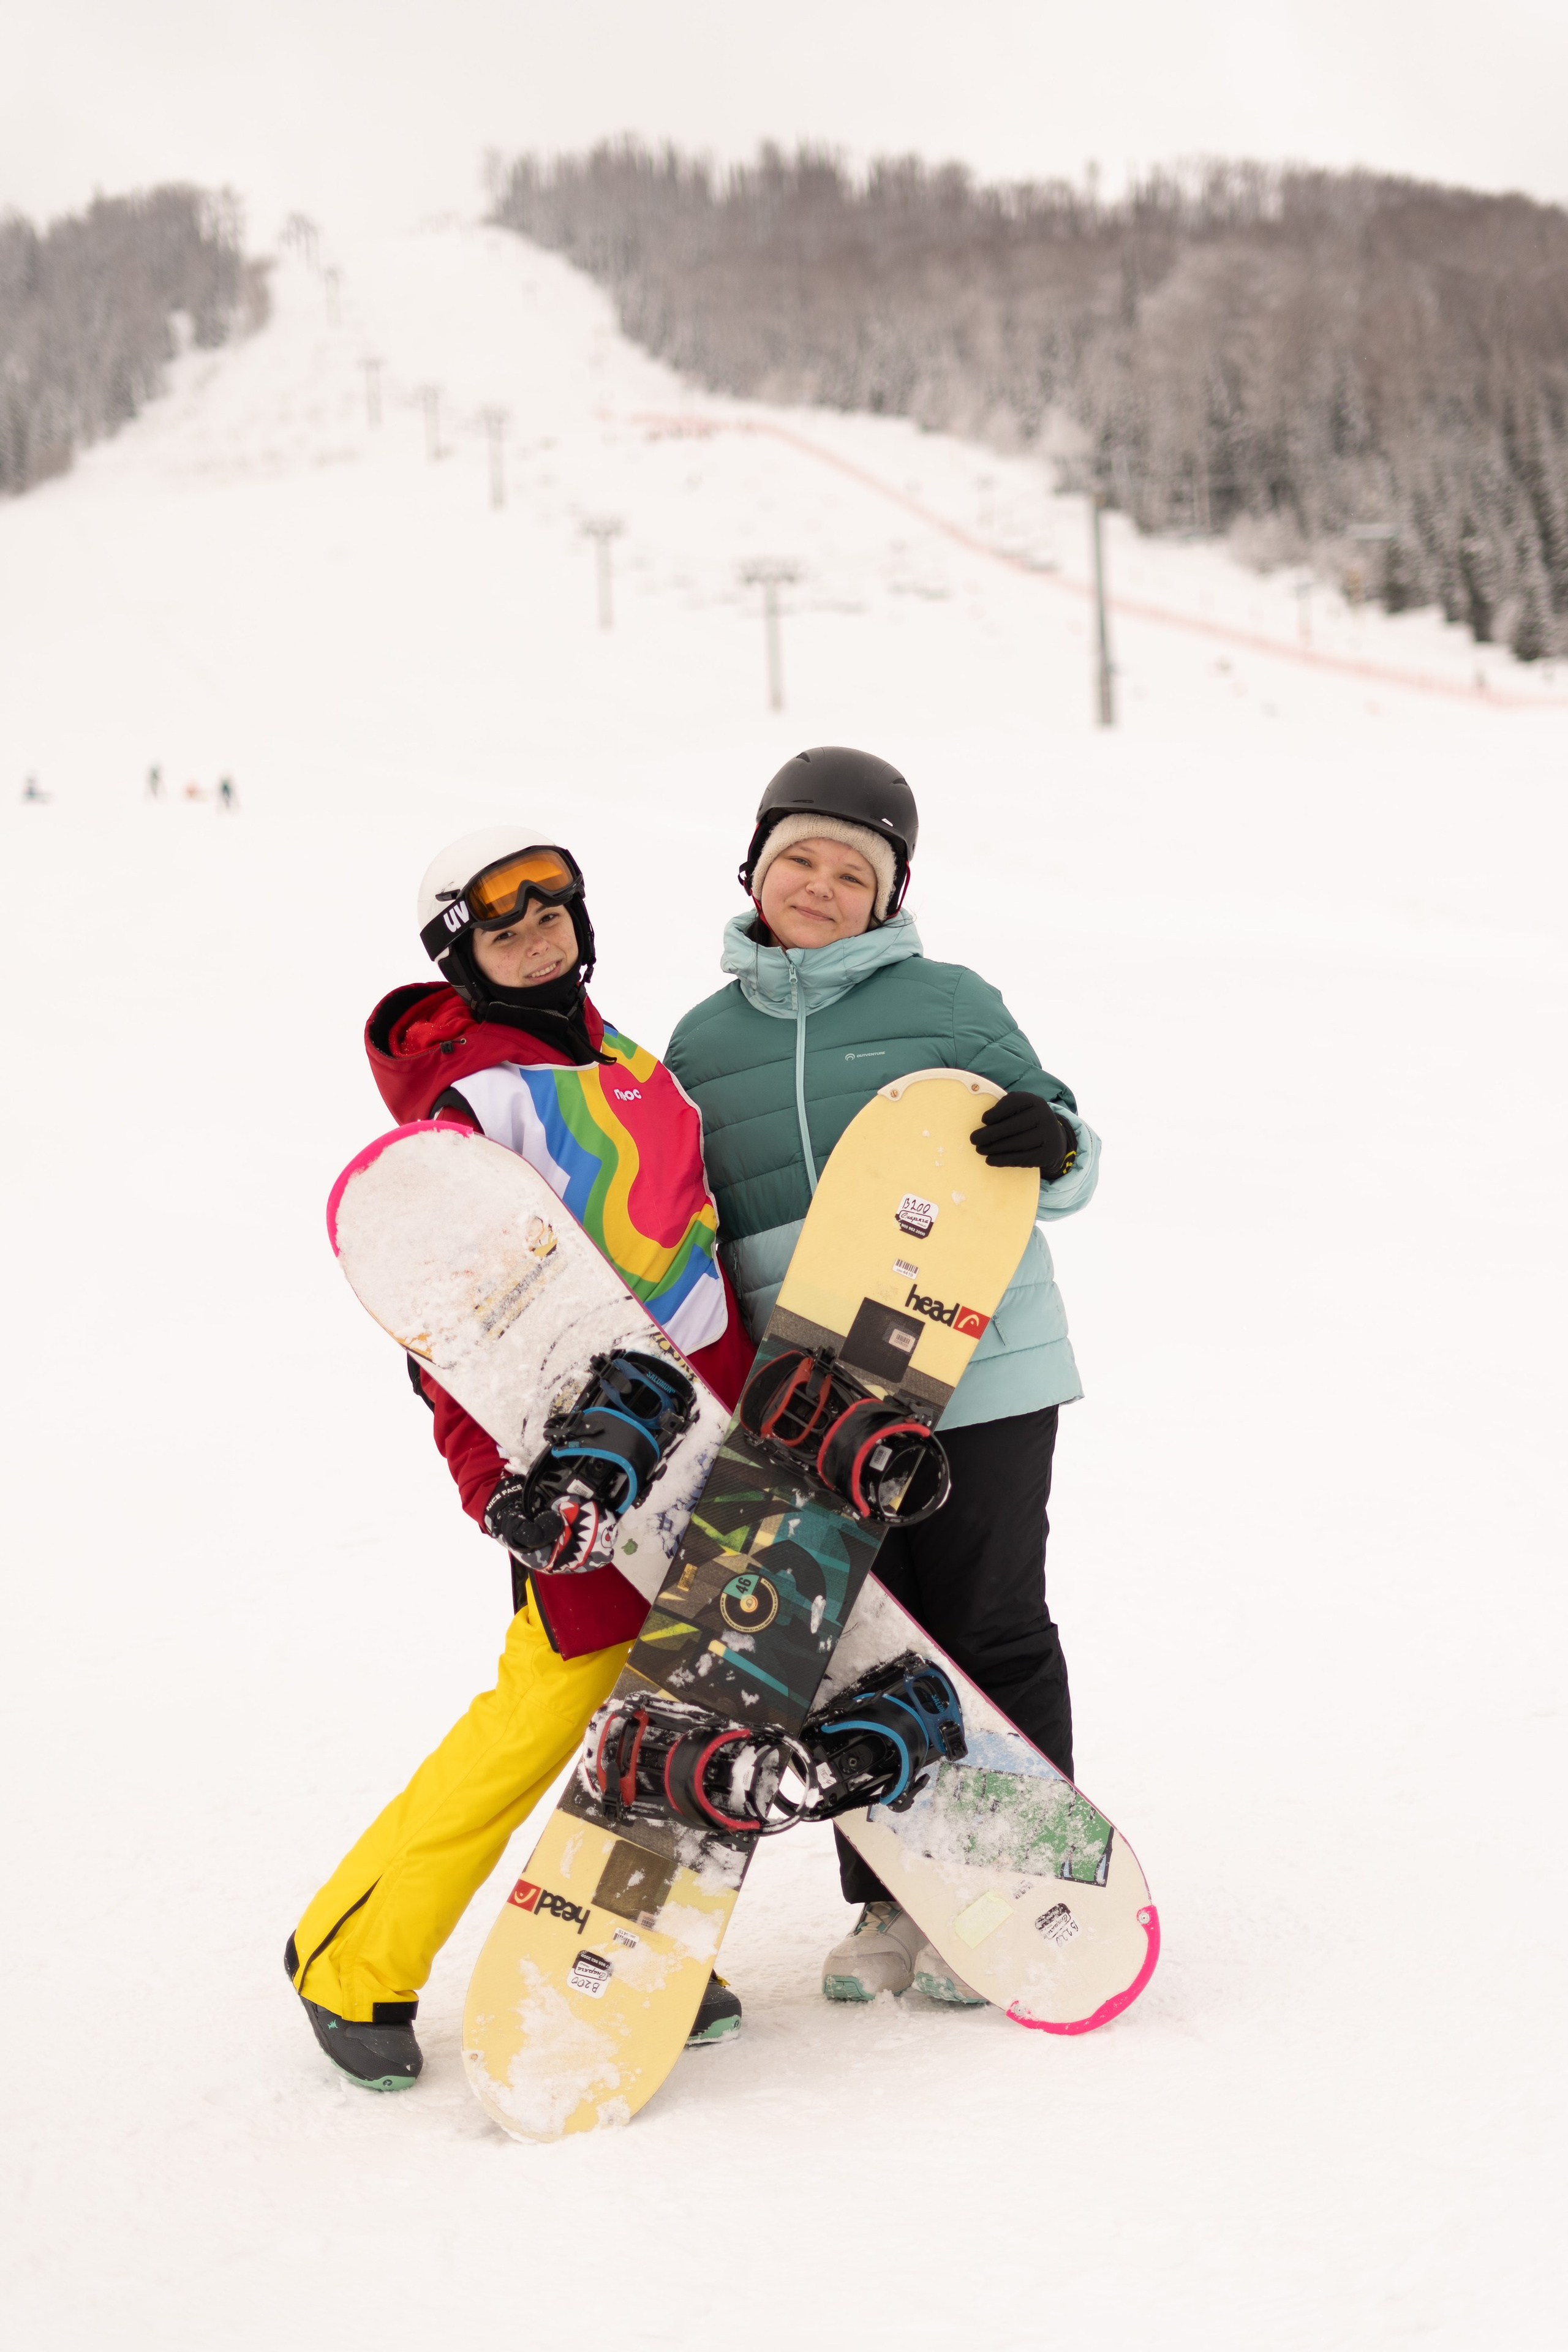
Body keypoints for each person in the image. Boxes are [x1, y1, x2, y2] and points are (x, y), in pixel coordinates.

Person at [287, 829, 755, 2091]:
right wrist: (493, 1484)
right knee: (541, 1713)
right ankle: (348, 1955)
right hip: (589, 1477)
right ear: (466, 954)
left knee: (669, 1712)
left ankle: (638, 1934)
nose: (541, 938)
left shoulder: (617, 1055)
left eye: (556, 916)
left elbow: (694, 1253)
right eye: (507, 929)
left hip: (710, 1447)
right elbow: (452, 1331)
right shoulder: (476, 1098)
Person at [665, 748, 1100, 2007]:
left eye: (850, 870)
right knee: (859, 1648)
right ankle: (894, 1905)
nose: (818, 883)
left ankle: (1024, 1884)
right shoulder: (700, 1039)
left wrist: (1051, 1139)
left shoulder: (951, 999)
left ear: (888, 893)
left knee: (990, 1625)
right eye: (797, 857)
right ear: (753, 866)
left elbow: (1062, 1152)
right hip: (819, 1396)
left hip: (985, 1370)